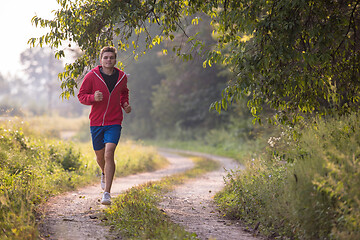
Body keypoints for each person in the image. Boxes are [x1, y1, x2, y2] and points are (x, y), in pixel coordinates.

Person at [78, 46, 131, 205]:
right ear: (101, 60)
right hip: (96, 122)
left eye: (111, 57)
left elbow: (124, 92)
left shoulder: (121, 76)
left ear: (115, 59)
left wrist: (125, 104)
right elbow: (81, 96)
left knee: (109, 154)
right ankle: (103, 172)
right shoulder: (92, 76)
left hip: (114, 122)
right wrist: (93, 97)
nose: (109, 60)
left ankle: (107, 193)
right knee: (100, 156)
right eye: (106, 57)